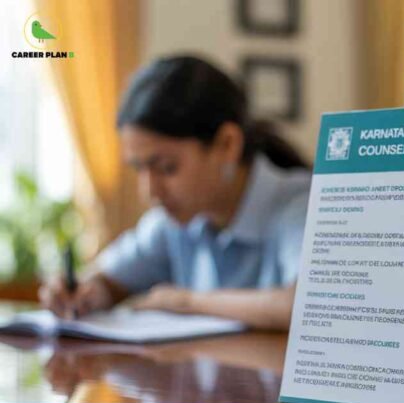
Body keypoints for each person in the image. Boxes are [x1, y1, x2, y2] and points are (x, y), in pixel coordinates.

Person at [39, 55, 311, 330]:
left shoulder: (302, 205)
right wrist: (85, 292)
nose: (150, 191)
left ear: (227, 145)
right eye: (138, 169)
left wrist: (187, 302)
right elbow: (108, 278)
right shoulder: (173, 221)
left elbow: (309, 304)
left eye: (167, 167)